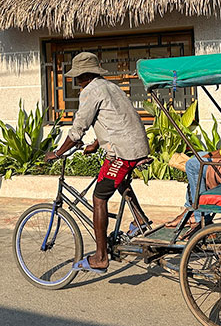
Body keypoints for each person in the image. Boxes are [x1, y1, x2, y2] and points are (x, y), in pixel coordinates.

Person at [45, 52, 150, 273]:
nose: (75, 80)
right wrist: (95, 143)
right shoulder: (109, 86)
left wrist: (58, 152)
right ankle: (140, 222)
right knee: (118, 182)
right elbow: (114, 119)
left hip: (123, 152)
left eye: (76, 76)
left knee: (99, 198)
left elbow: (77, 129)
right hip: (134, 146)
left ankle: (101, 257)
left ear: (82, 75)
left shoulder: (90, 91)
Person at [167, 81, 221, 228]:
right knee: (197, 158)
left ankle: (199, 216)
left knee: (193, 165)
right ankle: (189, 208)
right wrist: (210, 155)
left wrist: (211, 156)